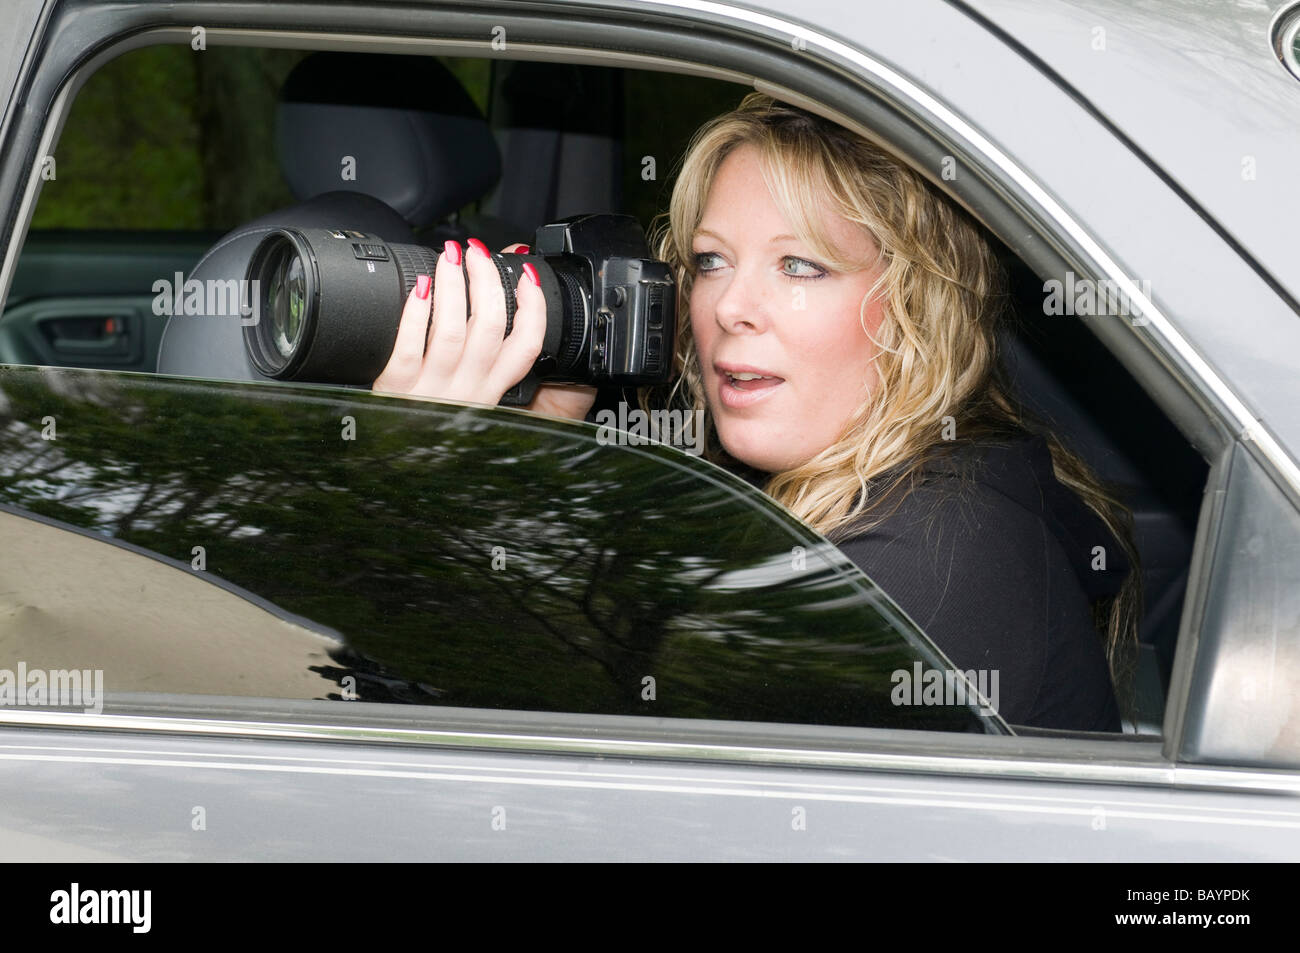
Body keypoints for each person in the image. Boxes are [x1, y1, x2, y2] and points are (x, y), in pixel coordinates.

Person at [372, 92, 1142, 732]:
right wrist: (536, 447)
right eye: (710, 262)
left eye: (800, 265)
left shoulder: (925, 559)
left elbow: (590, 790)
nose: (731, 307)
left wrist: (429, 488)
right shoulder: (858, 490)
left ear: (915, 310)